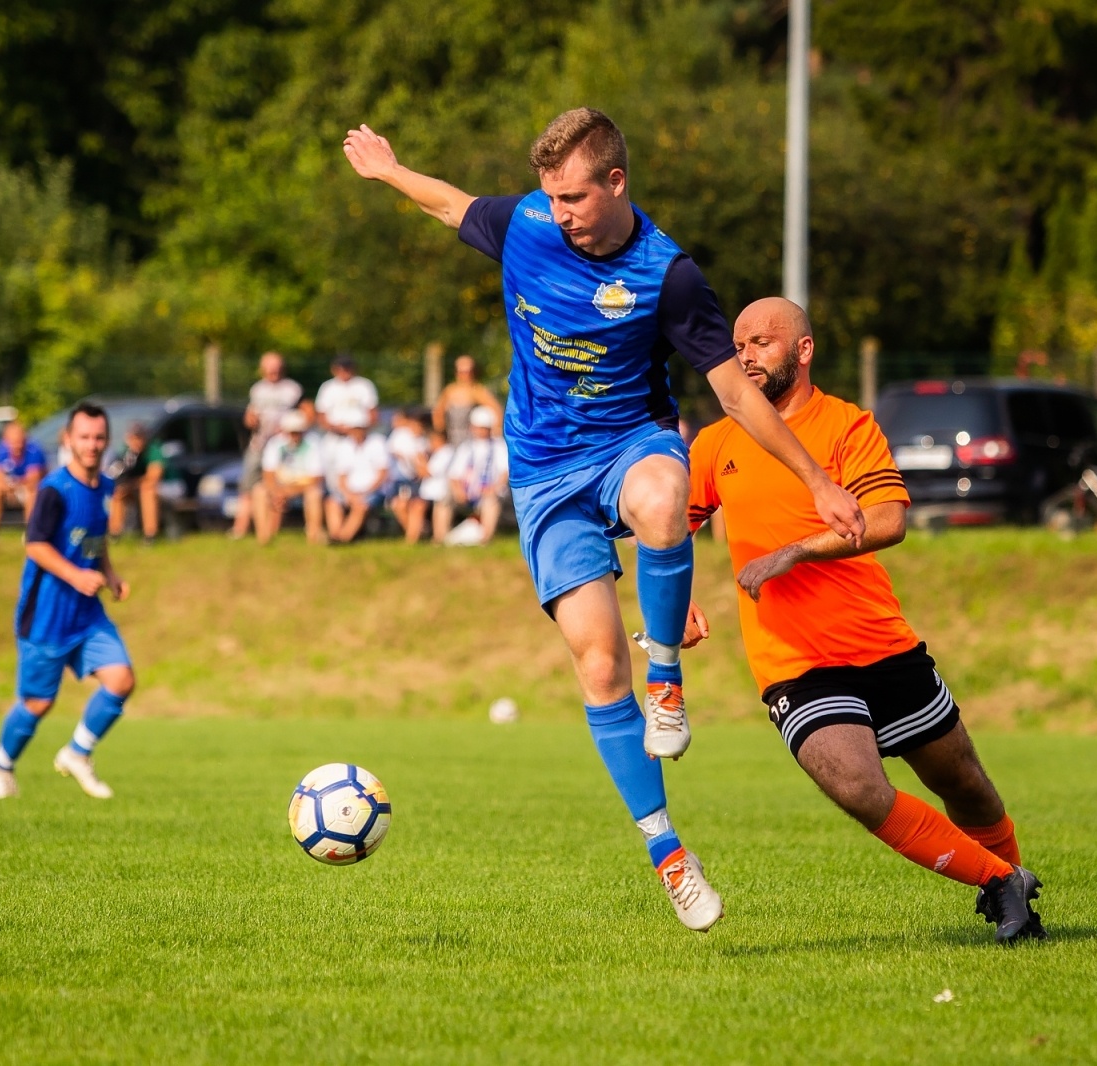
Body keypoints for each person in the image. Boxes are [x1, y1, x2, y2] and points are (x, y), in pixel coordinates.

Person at [344, 107, 863, 931]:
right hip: (545, 475)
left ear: (616, 183)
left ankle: (669, 681)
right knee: (594, 668)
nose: (561, 214)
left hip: (631, 443)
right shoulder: (525, 224)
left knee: (664, 501)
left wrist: (815, 477)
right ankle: (670, 856)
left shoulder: (670, 275)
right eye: (551, 198)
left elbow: (732, 394)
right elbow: (451, 204)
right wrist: (387, 170)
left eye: (576, 198)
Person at [683, 297, 1045, 943]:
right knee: (856, 784)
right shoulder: (717, 443)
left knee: (965, 783)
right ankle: (998, 881)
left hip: (882, 645)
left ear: (804, 349)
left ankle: (1013, 885)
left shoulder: (847, 426)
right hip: (795, 664)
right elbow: (665, 530)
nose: (745, 356)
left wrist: (795, 551)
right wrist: (673, 598)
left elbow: (887, 521)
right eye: (738, 345)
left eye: (762, 342)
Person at [0, 401, 134, 801]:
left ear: (107, 441)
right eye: (84, 436)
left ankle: (78, 753)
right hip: (47, 616)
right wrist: (76, 575)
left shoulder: (104, 487)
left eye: (99, 437)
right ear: (67, 440)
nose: (92, 444)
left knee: (122, 679)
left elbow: (94, 540)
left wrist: (110, 574)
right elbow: (34, 546)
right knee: (37, 703)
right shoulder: (53, 490)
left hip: (86, 614)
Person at [233, 351, 304, 539]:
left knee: (276, 487)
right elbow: (250, 415)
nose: (273, 371)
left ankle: (271, 530)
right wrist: (250, 420)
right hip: (259, 444)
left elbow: (303, 414)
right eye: (269, 367)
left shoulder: (293, 389)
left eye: (276, 367)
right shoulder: (257, 389)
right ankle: (240, 529)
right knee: (248, 487)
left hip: (283, 446)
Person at [254, 411, 327, 544]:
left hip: (303, 484)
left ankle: (313, 535)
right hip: (281, 484)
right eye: (291, 432)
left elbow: (316, 477)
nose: (294, 435)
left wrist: (288, 491)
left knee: (314, 494)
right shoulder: (275, 443)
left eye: (297, 431)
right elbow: (268, 473)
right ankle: (263, 537)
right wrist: (276, 491)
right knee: (259, 491)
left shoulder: (313, 443)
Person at [443, 406, 508, 546]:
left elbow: (505, 473)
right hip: (467, 491)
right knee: (444, 499)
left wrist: (493, 488)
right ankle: (440, 538)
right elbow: (454, 475)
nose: (480, 431)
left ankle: (484, 539)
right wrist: (458, 490)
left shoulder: (500, 446)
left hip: (490, 490)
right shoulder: (465, 447)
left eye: (484, 428)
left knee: (490, 501)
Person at [324, 410, 391, 544]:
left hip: (372, 491)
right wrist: (349, 494)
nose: (356, 432)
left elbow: (383, 474)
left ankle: (342, 539)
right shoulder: (344, 446)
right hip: (350, 490)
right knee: (332, 503)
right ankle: (335, 534)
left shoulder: (377, 442)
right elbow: (341, 476)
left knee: (361, 505)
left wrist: (365, 492)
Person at [0, 422, 47, 547]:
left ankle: (30, 531)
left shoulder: (34, 450)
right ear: (6, 440)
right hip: (11, 487)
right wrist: (8, 486)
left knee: (32, 492)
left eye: (20, 439)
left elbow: (34, 478)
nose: (17, 444)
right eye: (13, 440)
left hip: (30, 489)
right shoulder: (0, 450)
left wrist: (14, 484)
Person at [107, 422, 163, 544]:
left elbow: (154, 477)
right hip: (136, 486)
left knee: (147, 490)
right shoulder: (126, 452)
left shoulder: (153, 450)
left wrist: (132, 484)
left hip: (168, 487)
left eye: (139, 438)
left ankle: (150, 535)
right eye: (133, 438)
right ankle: (114, 533)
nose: (136, 442)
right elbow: (117, 475)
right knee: (118, 493)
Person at [433, 355, 504, 445]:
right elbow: (438, 413)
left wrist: (495, 433)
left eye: (468, 372)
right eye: (461, 372)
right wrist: (440, 435)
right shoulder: (450, 391)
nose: (465, 375)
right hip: (451, 440)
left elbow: (497, 410)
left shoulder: (478, 391)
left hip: (471, 443)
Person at [387, 407, 432, 544]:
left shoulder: (424, 441)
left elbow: (422, 467)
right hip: (404, 480)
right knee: (400, 505)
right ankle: (418, 532)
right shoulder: (401, 436)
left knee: (416, 506)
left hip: (416, 481)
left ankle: (413, 537)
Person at [313, 354, 379, 433]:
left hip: (360, 433)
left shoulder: (364, 385)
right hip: (334, 433)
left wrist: (359, 431)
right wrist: (334, 428)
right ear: (333, 369)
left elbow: (372, 413)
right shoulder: (327, 387)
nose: (343, 371)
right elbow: (321, 414)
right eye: (340, 368)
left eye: (346, 368)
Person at [419, 428, 455, 544]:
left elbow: (428, 472)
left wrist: (419, 460)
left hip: (444, 489)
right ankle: (438, 537)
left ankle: (442, 536)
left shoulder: (446, 453)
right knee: (438, 512)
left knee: (443, 513)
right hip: (439, 491)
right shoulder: (440, 453)